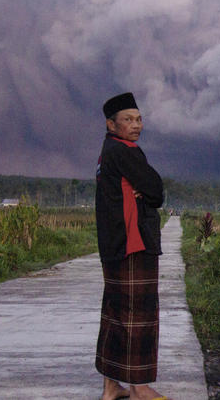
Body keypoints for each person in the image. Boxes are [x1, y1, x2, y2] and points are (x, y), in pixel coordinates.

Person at [94, 92, 169, 400]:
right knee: (139, 317)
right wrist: (146, 191)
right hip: (133, 246)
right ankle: (139, 388)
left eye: (139, 119)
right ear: (111, 124)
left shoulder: (107, 152)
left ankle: (111, 386)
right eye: (128, 120)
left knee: (115, 314)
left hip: (114, 246)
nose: (136, 125)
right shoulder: (125, 151)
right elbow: (156, 190)